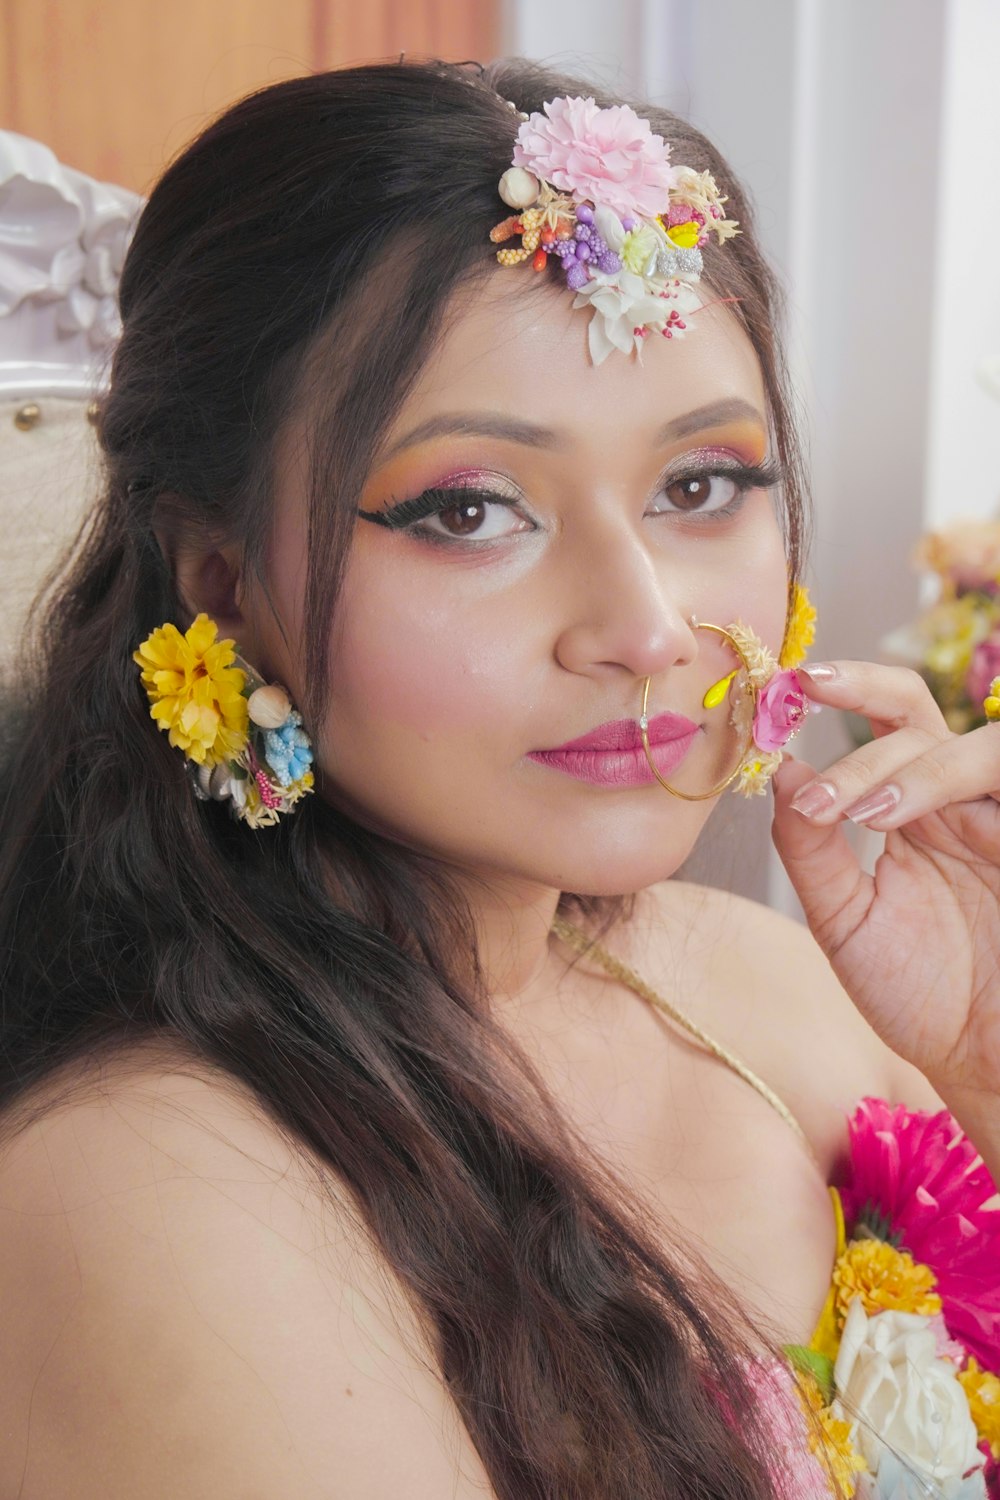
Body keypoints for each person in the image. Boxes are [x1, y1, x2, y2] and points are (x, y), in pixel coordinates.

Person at [0, 57, 997, 1500]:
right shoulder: (158, 1202)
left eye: (701, 484)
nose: (646, 627)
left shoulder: (773, 990)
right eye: (471, 509)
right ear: (221, 589)